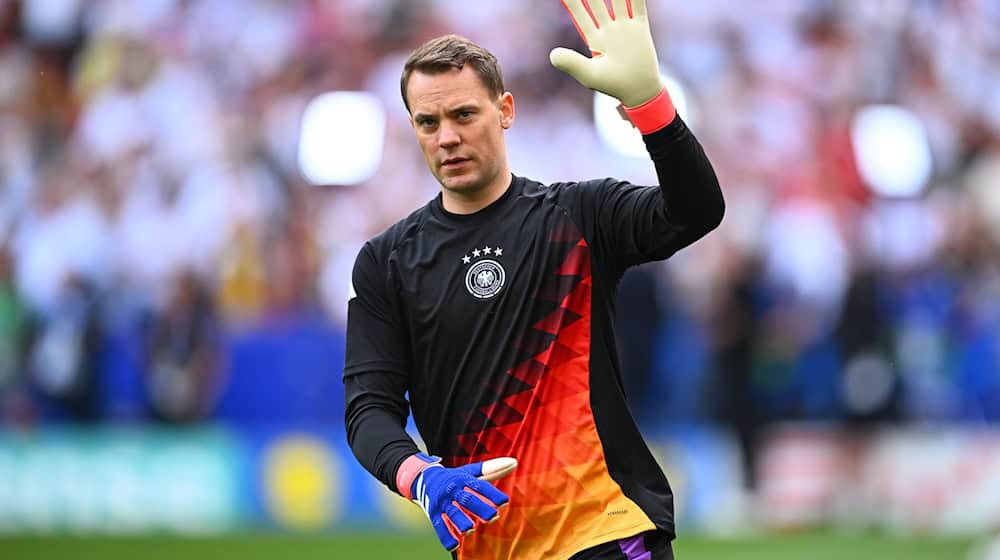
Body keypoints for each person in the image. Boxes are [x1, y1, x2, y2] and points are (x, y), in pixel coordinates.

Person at [344, 1, 724, 558]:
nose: (446, 136)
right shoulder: (386, 262)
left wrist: (651, 107)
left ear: (505, 110)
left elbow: (695, 211)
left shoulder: (580, 215)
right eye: (429, 122)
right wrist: (420, 477)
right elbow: (368, 409)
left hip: (605, 531)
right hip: (487, 544)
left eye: (463, 115)